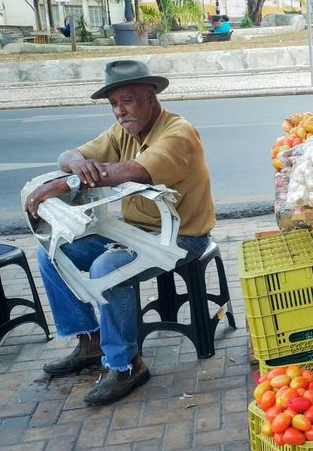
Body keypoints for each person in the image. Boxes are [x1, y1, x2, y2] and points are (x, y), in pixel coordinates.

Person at [24, 59, 215, 406]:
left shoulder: (178, 132)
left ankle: (126, 364)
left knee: (107, 268)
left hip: (182, 238)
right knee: (54, 250)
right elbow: (69, 154)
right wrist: (77, 165)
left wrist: (66, 182)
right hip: (133, 232)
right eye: (113, 104)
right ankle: (90, 340)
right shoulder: (124, 132)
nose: (119, 112)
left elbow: (134, 171)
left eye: (126, 100)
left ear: (150, 96)